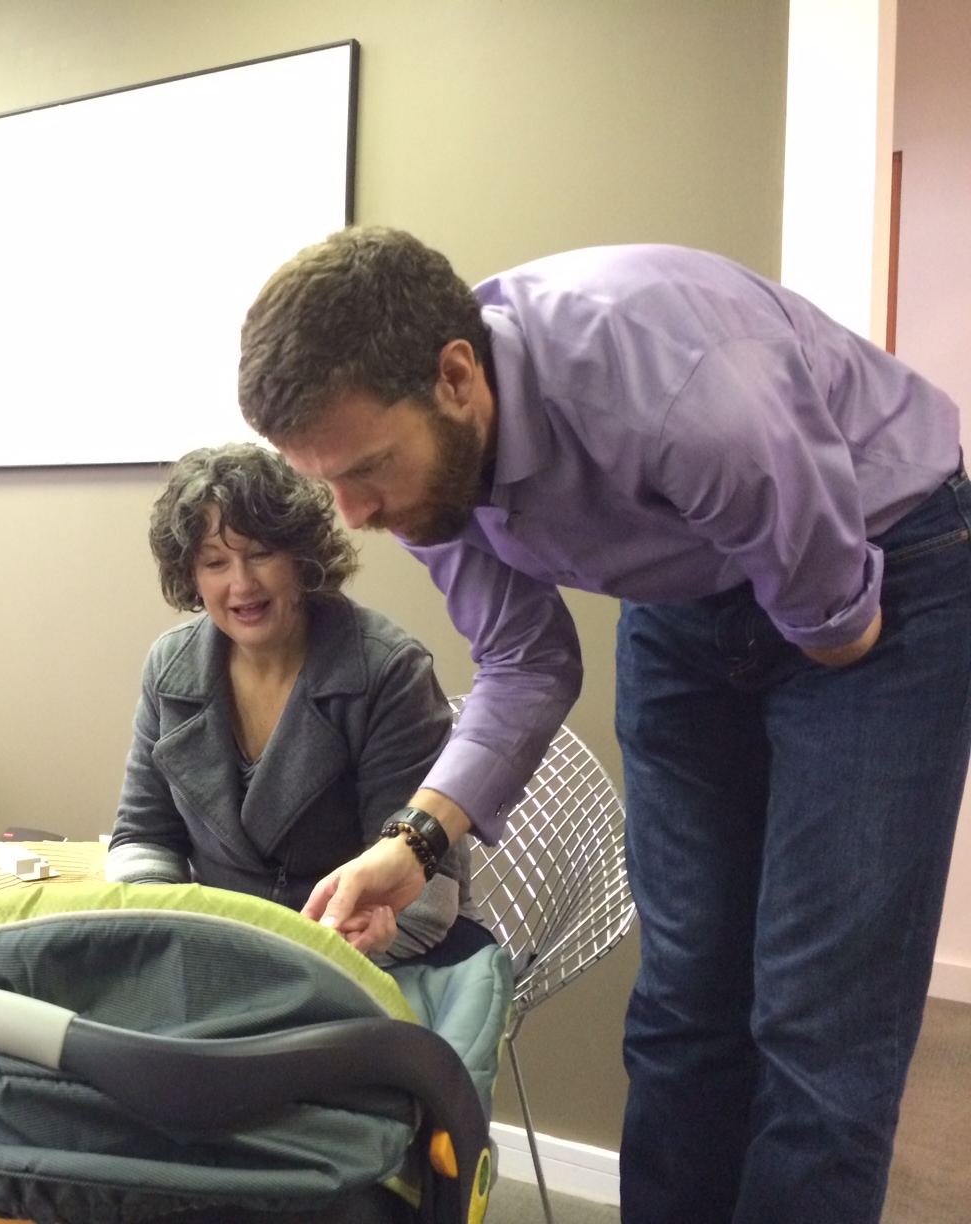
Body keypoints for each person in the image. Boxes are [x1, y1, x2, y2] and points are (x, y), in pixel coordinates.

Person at [236, 226, 971, 1224]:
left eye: (365, 470)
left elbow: (839, 624)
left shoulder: (675, 388)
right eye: (326, 481)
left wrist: (811, 660)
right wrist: (412, 843)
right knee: (683, 1001)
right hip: (689, 598)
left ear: (457, 377)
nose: (353, 512)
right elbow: (526, 662)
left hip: (886, 567)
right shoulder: (421, 480)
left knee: (819, 1017)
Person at [106, 442, 490, 966]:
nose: (242, 584)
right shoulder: (169, 667)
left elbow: (424, 897)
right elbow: (143, 837)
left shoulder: (388, 671)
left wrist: (308, 957)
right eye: (215, 562)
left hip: (364, 956)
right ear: (190, 574)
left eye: (261, 554)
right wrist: (167, 938)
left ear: (301, 555)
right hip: (215, 952)